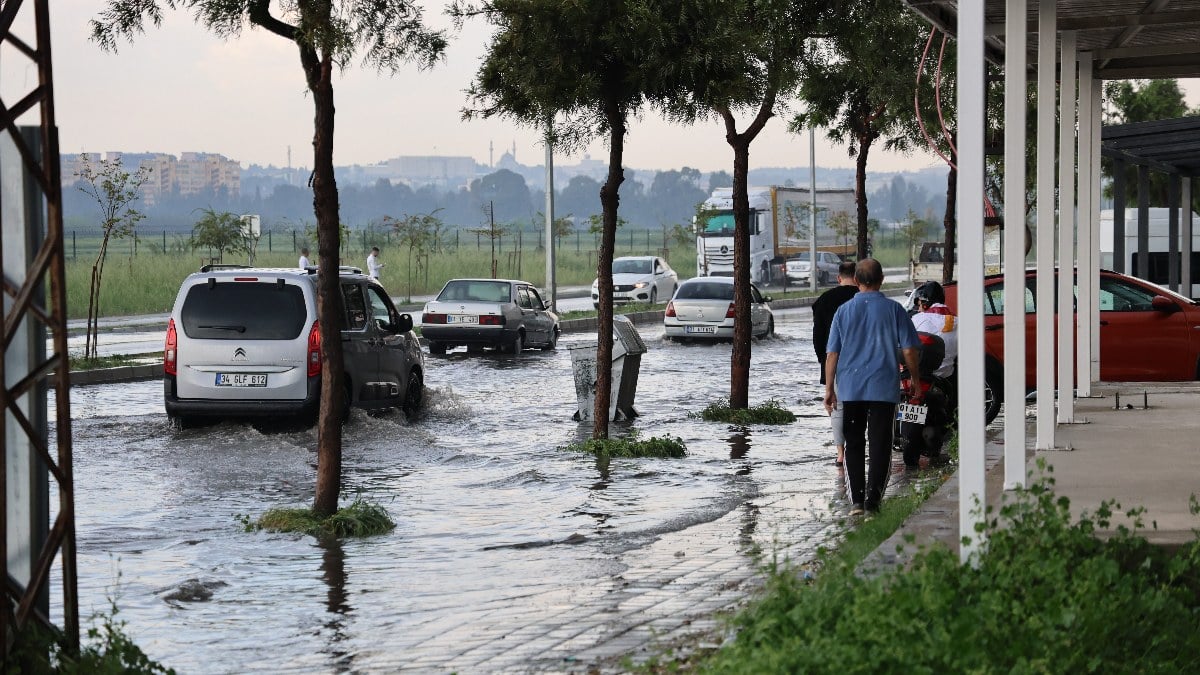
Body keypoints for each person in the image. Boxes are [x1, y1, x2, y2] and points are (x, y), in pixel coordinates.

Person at [824, 258, 923, 516]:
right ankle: (873, 502)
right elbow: (910, 350)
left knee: (853, 443)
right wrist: (914, 378)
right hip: (882, 388)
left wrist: (829, 390)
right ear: (882, 280)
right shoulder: (895, 310)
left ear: (856, 281)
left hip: (850, 388)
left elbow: (832, 353)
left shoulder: (843, 312)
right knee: (880, 444)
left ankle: (856, 501)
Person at [812, 260, 859, 465]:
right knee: (860, 406)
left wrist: (824, 362)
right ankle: (859, 446)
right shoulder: (862, 298)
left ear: (839, 278)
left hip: (835, 361)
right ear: (857, 278)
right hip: (861, 360)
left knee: (836, 407)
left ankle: (841, 453)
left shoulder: (824, 300)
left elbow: (818, 337)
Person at [910, 281, 958, 380]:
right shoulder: (958, 321)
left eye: (919, 304)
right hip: (947, 377)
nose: (918, 309)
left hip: (921, 376)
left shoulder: (918, 319)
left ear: (925, 302)